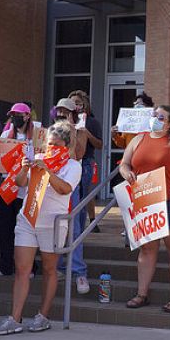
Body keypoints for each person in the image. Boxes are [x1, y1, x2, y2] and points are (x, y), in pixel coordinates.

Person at [0, 122, 82, 335]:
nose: (51, 147)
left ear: (67, 145)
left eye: (56, 144)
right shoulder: (39, 158)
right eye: (49, 143)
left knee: (49, 269)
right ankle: (14, 319)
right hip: (27, 218)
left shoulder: (73, 166)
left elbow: (64, 189)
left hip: (52, 222)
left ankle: (43, 316)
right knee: (22, 270)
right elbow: (19, 183)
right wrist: (25, 167)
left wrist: (48, 171)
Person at [119, 105, 170, 313]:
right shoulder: (139, 139)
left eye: (161, 117)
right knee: (147, 248)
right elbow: (124, 164)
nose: (156, 118)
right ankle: (142, 294)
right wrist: (127, 173)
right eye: (154, 115)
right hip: (146, 201)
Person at [0, 103, 37, 277]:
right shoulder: (5, 135)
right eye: (12, 114)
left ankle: (28, 266)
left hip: (27, 188)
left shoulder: (37, 135)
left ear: (27, 116)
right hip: (7, 187)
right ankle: (5, 264)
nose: (14, 117)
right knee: (4, 226)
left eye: (18, 114)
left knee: (25, 229)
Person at [65, 90, 104, 292]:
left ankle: (77, 268)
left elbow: (100, 145)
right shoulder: (61, 125)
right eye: (72, 103)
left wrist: (85, 133)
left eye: (78, 103)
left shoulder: (91, 122)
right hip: (63, 169)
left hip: (84, 164)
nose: (75, 106)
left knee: (78, 213)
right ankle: (63, 264)